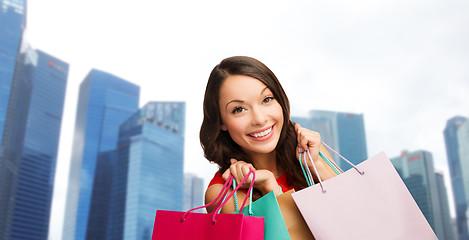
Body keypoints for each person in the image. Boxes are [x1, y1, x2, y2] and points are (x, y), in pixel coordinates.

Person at [200, 56, 338, 213]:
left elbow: (356, 210)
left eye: (267, 99)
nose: (259, 119)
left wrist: (317, 166)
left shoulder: (311, 153)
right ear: (221, 122)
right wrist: (270, 187)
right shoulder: (223, 194)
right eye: (239, 109)